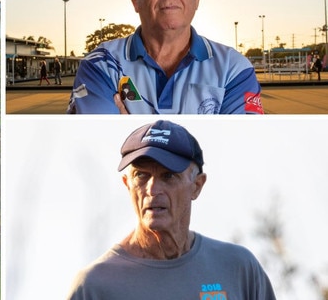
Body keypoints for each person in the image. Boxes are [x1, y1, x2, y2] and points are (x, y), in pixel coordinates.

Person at [67, 120, 276, 299]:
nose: (152, 189)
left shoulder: (238, 267)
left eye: (168, 176)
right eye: (141, 175)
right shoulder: (94, 286)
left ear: (197, 186)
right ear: (127, 183)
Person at [67, 0, 263, 114]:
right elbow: (96, 147)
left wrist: (133, 133)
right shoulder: (101, 65)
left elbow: (240, 149)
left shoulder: (234, 69)